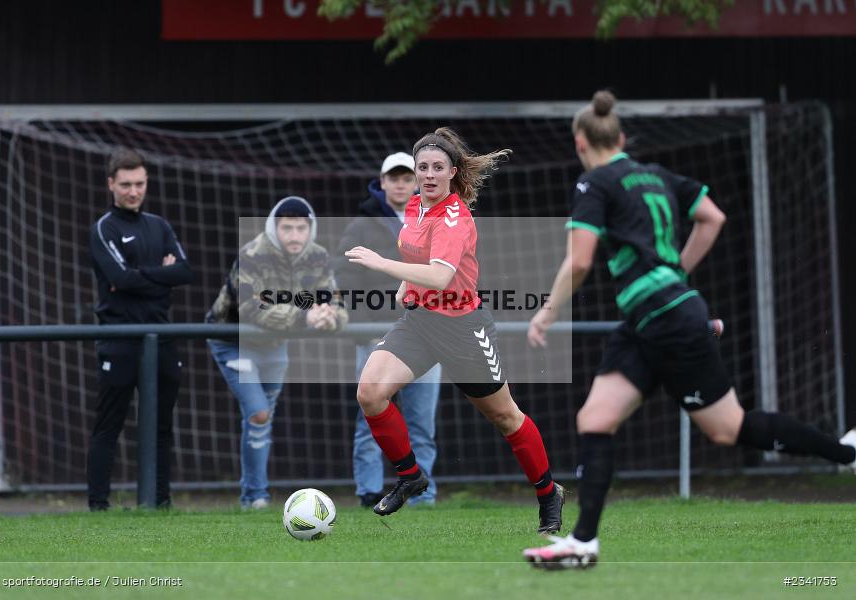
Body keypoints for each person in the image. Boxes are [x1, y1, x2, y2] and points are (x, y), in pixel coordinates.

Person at [522, 91, 856, 570]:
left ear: (580, 142)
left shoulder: (594, 183)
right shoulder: (656, 174)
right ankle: (583, 543)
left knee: (727, 429)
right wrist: (677, 275)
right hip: (651, 318)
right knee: (596, 419)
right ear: (619, 137)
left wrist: (548, 312)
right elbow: (712, 217)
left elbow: (579, 261)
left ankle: (844, 451)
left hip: (665, 318)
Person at [345, 128, 565, 532]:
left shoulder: (454, 217)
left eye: (437, 168)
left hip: (463, 329)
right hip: (420, 323)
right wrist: (405, 286)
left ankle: (549, 493)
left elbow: (441, 276)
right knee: (370, 392)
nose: (428, 175)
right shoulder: (415, 206)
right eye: (422, 167)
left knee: (505, 418)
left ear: (452, 172)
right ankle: (411, 476)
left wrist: (382, 265)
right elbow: (420, 259)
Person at [207, 196, 347, 509]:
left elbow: (336, 301)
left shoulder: (319, 256)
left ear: (310, 229)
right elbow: (249, 307)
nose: (294, 235)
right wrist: (303, 316)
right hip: (234, 341)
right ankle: (254, 496)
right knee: (258, 413)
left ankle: (254, 494)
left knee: (262, 418)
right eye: (287, 228)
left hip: (275, 344)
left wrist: (330, 317)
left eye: (301, 228)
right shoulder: (253, 254)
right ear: (275, 227)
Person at [333, 152, 442, 508]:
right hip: (375, 337)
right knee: (371, 416)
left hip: (426, 334)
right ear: (381, 182)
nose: (400, 183)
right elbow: (344, 276)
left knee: (421, 422)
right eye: (392, 177)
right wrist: (365, 321)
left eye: (406, 177)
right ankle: (369, 492)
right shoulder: (360, 227)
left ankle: (421, 497)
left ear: (416, 182)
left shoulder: (434, 222)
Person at [88, 148, 194, 511]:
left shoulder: (159, 226)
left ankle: (160, 503)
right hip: (120, 339)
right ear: (111, 185)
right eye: (126, 185)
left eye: (139, 184)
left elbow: (185, 271)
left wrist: (141, 277)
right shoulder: (104, 228)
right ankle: (98, 506)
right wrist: (160, 277)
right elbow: (117, 278)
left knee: (162, 427)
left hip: (161, 338)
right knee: (109, 425)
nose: (133, 191)